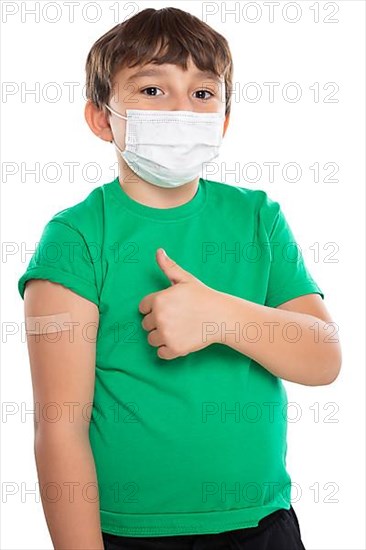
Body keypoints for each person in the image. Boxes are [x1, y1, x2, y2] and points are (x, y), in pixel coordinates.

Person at [18, 7, 342, 550]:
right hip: (128, 535)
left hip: (262, 526)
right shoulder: (75, 239)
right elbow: (59, 427)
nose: (180, 109)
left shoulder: (259, 219)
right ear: (101, 118)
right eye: (150, 90)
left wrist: (221, 317)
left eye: (201, 93)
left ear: (225, 118)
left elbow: (322, 359)